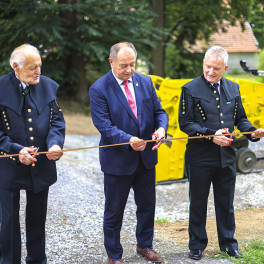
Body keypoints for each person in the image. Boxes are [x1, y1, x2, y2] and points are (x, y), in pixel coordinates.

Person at [178, 45, 264, 260]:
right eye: (208, 67)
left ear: (225, 68)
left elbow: (240, 119)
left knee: (226, 203)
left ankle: (228, 244)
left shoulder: (233, 89)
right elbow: (185, 123)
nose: (210, 72)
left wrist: (252, 131)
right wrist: (210, 134)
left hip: (226, 156)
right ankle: (196, 245)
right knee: (198, 202)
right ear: (203, 64)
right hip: (199, 157)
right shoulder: (190, 88)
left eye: (216, 68)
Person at [89, 42, 168, 264]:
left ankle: (145, 245)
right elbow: (104, 125)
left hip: (146, 159)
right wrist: (128, 140)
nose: (129, 69)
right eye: (124, 65)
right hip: (118, 160)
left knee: (147, 207)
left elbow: (159, 112)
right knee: (114, 211)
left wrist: (161, 128)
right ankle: (114, 255)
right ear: (111, 62)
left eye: (132, 64)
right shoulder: (98, 88)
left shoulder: (145, 81)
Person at [0, 44, 65, 264]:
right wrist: (16, 150)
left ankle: (37, 260)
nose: (38, 71)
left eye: (39, 66)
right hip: (9, 166)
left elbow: (56, 120)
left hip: (41, 165)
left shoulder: (47, 86)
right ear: (16, 67)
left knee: (37, 218)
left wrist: (55, 144)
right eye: (31, 68)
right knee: (8, 220)